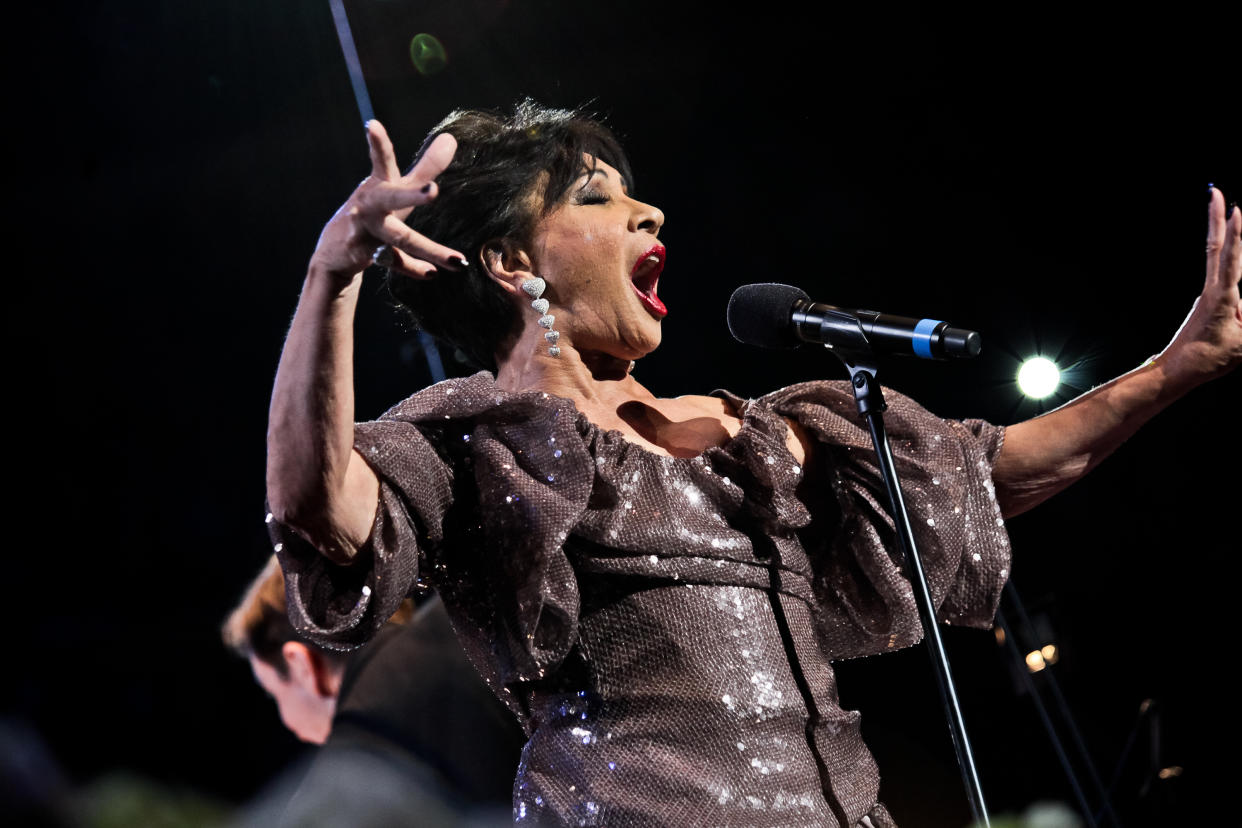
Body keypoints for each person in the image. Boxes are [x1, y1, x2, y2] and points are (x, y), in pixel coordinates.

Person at [263, 101, 1241, 827]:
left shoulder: (761, 435)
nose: (650, 213)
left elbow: (996, 472)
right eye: (599, 197)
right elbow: (320, 510)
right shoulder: (479, 437)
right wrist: (333, 272)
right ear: (513, 263)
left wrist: (1174, 370)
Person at [222, 555, 525, 826]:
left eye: (274, 694)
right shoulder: (477, 612)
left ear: (301, 665)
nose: (290, 726)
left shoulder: (371, 757)